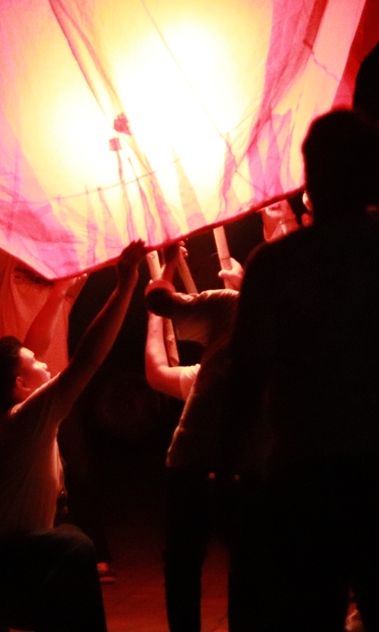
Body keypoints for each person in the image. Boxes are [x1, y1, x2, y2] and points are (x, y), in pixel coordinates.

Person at [218, 109, 379, 632]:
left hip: (307, 473)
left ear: (310, 175)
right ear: (372, 177)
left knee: (308, 615)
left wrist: (225, 471)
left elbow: (246, 377)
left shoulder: (275, 265)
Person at [0, 240, 146, 632]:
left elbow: (34, 342)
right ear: (20, 385)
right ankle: (4, 611)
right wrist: (126, 285)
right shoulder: (28, 418)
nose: (43, 361)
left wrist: (57, 294)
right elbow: (88, 358)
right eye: (35, 363)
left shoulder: (4, 413)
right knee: (75, 547)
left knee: (65, 536)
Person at [0, 246, 116, 581]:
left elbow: (92, 248)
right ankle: (0, 552)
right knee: (11, 475)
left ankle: (91, 552)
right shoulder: (10, 261)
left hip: (52, 388)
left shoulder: (64, 282)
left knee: (76, 472)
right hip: (10, 388)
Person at [142, 243, 252, 632]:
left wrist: (169, 263)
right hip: (244, 461)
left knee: (185, 565)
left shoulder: (234, 304)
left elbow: (159, 302)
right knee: (245, 565)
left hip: (207, 457)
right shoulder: (300, 319)